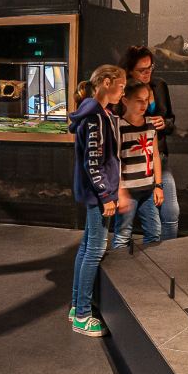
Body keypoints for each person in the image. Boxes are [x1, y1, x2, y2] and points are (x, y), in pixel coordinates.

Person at [69, 64, 128, 338]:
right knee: (94, 250)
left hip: (96, 193)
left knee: (87, 247)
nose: (123, 92)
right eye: (121, 86)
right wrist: (106, 195)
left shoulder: (99, 113)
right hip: (98, 195)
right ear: (106, 82)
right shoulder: (94, 116)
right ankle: (82, 315)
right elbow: (93, 163)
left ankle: (76, 305)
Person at [122, 45, 179, 239]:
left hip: (158, 157)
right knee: (125, 227)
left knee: (170, 213)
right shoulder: (124, 92)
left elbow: (171, 120)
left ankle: (166, 259)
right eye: (142, 70)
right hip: (134, 163)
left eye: (150, 68)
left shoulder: (160, 85)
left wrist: (164, 123)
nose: (147, 73)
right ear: (130, 70)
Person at [112, 80, 165, 249]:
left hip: (148, 189)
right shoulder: (118, 127)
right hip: (128, 189)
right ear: (125, 100)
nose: (144, 104)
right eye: (139, 100)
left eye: (146, 99)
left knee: (154, 231)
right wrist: (120, 191)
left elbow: (155, 155)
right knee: (123, 234)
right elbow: (115, 160)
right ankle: (119, 272)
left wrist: (158, 185)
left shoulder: (151, 124)